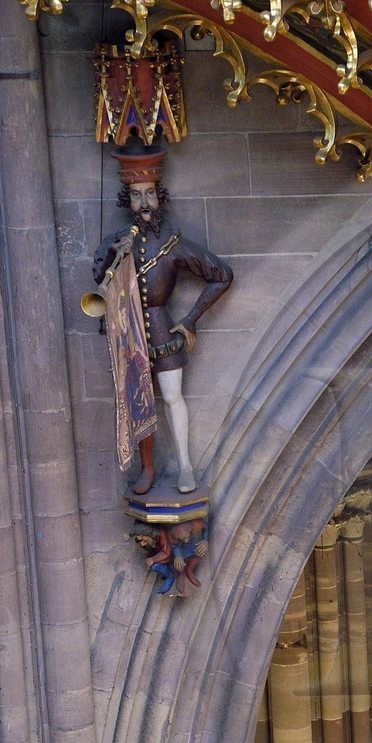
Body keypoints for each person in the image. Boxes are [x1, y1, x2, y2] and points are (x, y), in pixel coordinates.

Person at [93, 146, 233, 493]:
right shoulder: (115, 242)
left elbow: (221, 274)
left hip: (162, 329)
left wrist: (191, 318)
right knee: (138, 402)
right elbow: (98, 277)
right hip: (129, 331)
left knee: (172, 396)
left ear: (160, 196)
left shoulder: (172, 243)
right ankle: (147, 469)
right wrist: (113, 256)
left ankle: (185, 465)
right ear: (127, 200)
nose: (144, 203)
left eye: (150, 194)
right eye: (136, 195)